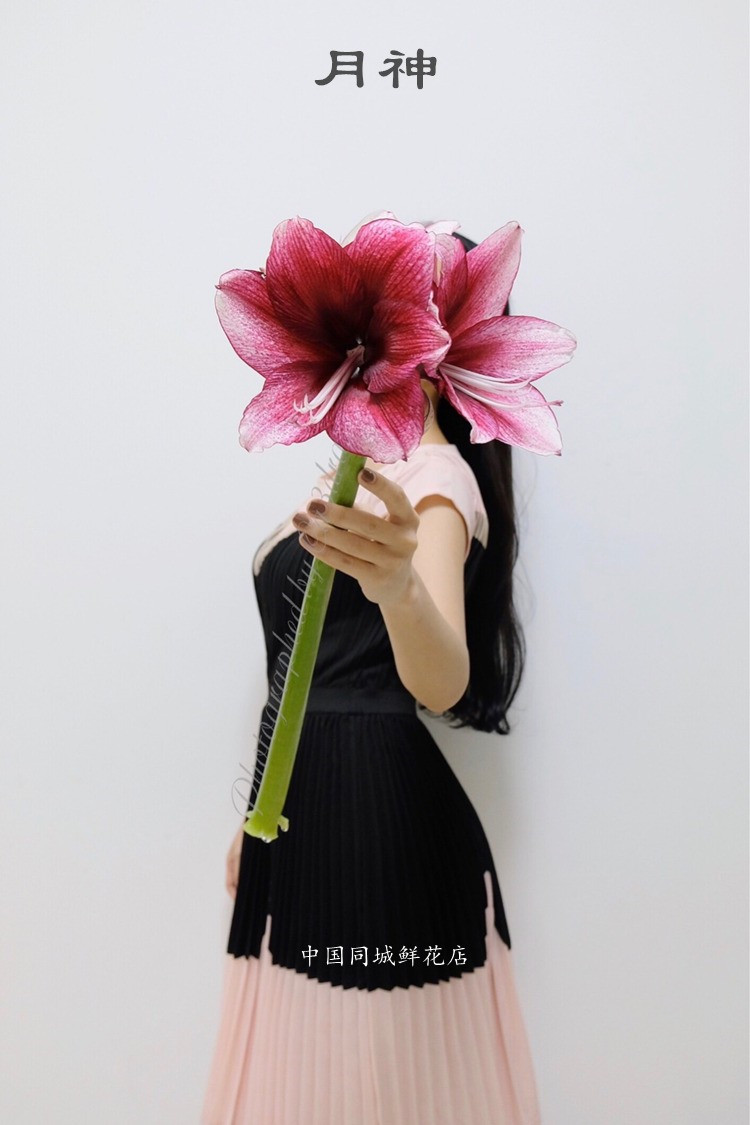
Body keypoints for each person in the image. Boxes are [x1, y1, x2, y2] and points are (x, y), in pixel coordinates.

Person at [201, 238, 542, 1124]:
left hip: (375, 816)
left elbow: (440, 679)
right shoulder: (365, 475)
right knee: (307, 1069)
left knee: (373, 1077)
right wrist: (256, 810)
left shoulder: (435, 481)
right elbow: (296, 670)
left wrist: (398, 587)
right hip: (304, 807)